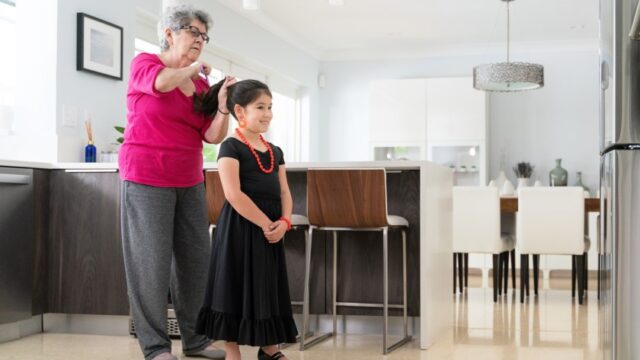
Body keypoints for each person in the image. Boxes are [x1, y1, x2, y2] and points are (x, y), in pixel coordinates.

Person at [119, 5, 235, 360]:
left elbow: (212, 136)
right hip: (146, 176)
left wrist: (222, 106)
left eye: (204, 35)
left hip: (188, 180)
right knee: (150, 264)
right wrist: (191, 69)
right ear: (169, 33)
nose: (199, 40)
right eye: (192, 32)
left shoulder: (199, 85)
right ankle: (155, 347)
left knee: (195, 263)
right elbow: (160, 83)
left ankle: (196, 341)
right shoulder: (146, 64)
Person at [194, 79, 298, 360]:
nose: (267, 114)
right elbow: (233, 194)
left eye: (270, 107)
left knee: (267, 284)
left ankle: (269, 348)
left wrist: (285, 222)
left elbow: (285, 191)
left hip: (272, 228)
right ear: (240, 112)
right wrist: (266, 223)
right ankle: (232, 349)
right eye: (260, 107)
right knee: (234, 284)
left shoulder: (275, 151)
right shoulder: (230, 146)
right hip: (241, 227)